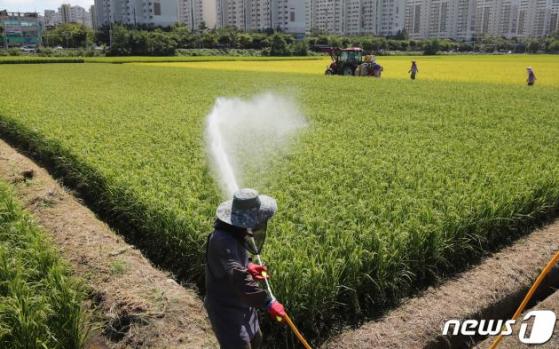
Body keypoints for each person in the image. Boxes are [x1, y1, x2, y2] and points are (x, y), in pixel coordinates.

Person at [205, 188, 287, 349]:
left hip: (242, 303)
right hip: (226, 308)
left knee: (256, 339)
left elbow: (234, 264)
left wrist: (249, 266)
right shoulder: (221, 241)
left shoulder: (236, 232)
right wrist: (269, 303)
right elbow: (239, 281)